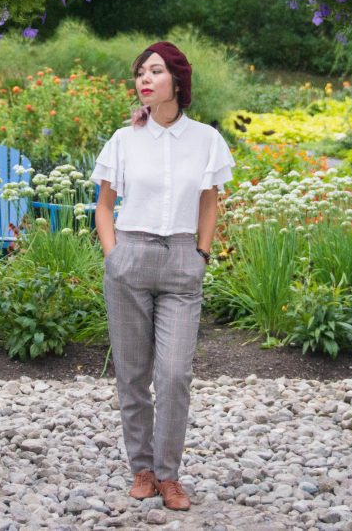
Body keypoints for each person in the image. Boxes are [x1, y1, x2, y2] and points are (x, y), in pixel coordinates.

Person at [91, 41, 235, 511]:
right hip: (129, 257)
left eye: (155, 71)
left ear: (178, 79)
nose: (144, 79)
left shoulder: (207, 140)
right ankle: (143, 470)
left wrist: (201, 255)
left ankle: (170, 475)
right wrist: (114, 257)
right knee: (133, 376)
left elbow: (210, 201)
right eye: (139, 73)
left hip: (180, 261)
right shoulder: (124, 139)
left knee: (174, 375)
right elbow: (105, 207)